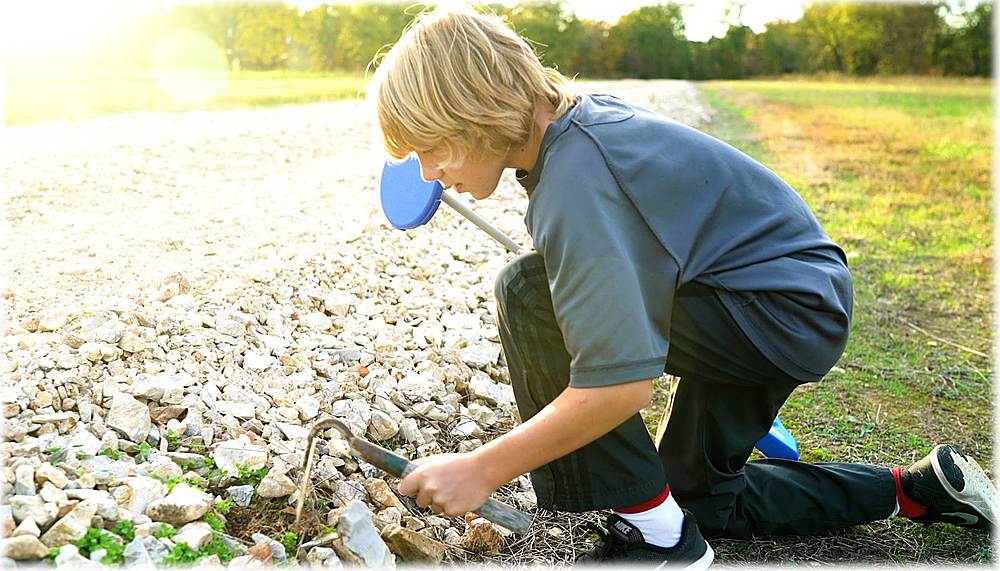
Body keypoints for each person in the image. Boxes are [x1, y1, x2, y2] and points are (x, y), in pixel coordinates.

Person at [367, 8, 997, 567]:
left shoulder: (576, 181)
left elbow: (618, 386)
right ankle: (913, 490)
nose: (430, 175)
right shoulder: (575, 129)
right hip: (789, 298)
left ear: (470, 111)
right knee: (699, 499)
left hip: (771, 313)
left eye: (429, 149)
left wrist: (484, 469)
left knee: (531, 293)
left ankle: (657, 539)